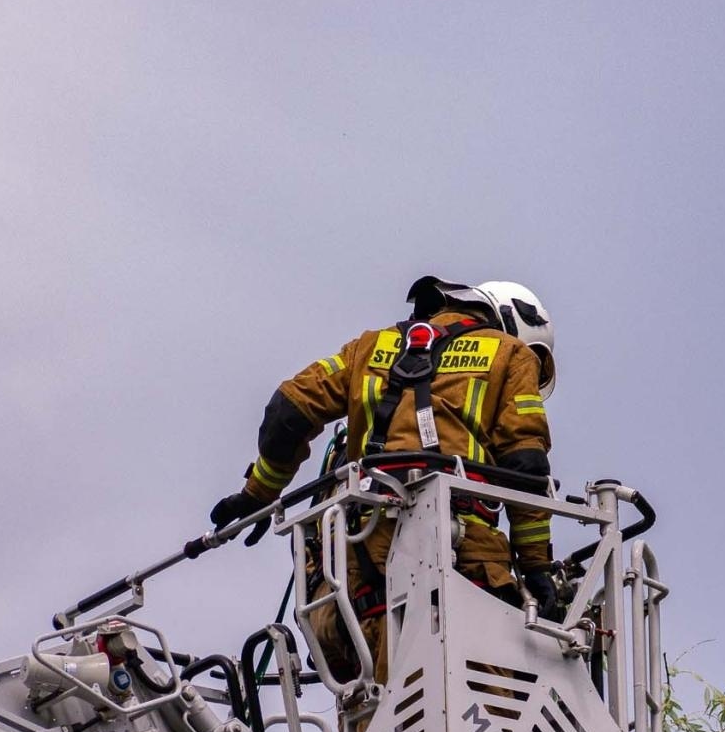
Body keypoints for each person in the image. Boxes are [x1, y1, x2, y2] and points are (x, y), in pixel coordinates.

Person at [209, 276, 559, 684]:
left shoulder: (370, 348)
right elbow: (526, 468)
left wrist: (258, 494)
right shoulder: (511, 354)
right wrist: (537, 569)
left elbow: (287, 412)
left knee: (379, 709)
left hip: (360, 578)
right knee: (479, 706)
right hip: (463, 568)